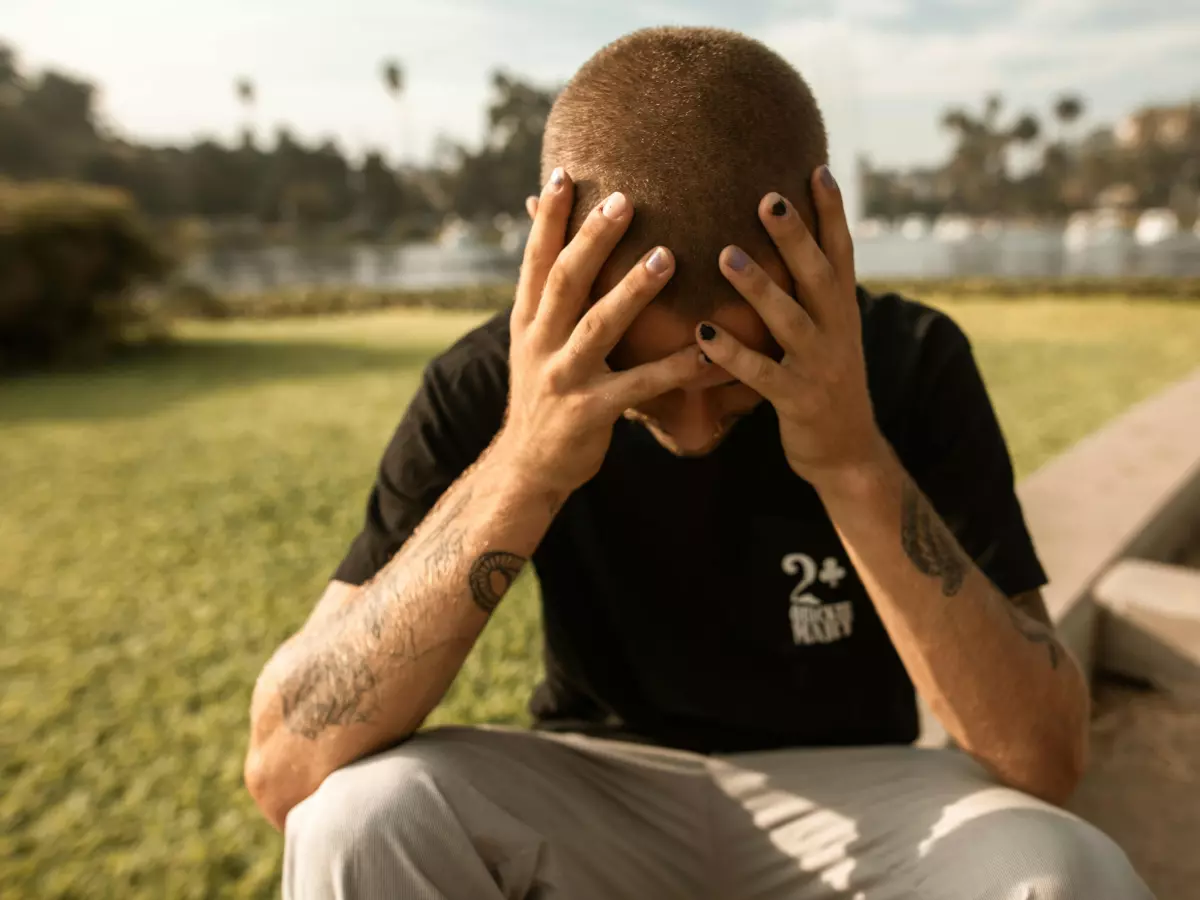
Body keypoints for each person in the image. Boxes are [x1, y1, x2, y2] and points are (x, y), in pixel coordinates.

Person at [244, 26, 1153, 900]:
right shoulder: (492, 381)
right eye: (639, 368)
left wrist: (849, 457)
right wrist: (526, 462)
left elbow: (1043, 760)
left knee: (1066, 872)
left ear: (825, 250)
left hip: (862, 789)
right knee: (360, 821)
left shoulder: (910, 361)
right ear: (552, 252)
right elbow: (284, 770)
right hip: (599, 783)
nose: (692, 417)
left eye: (736, 370)